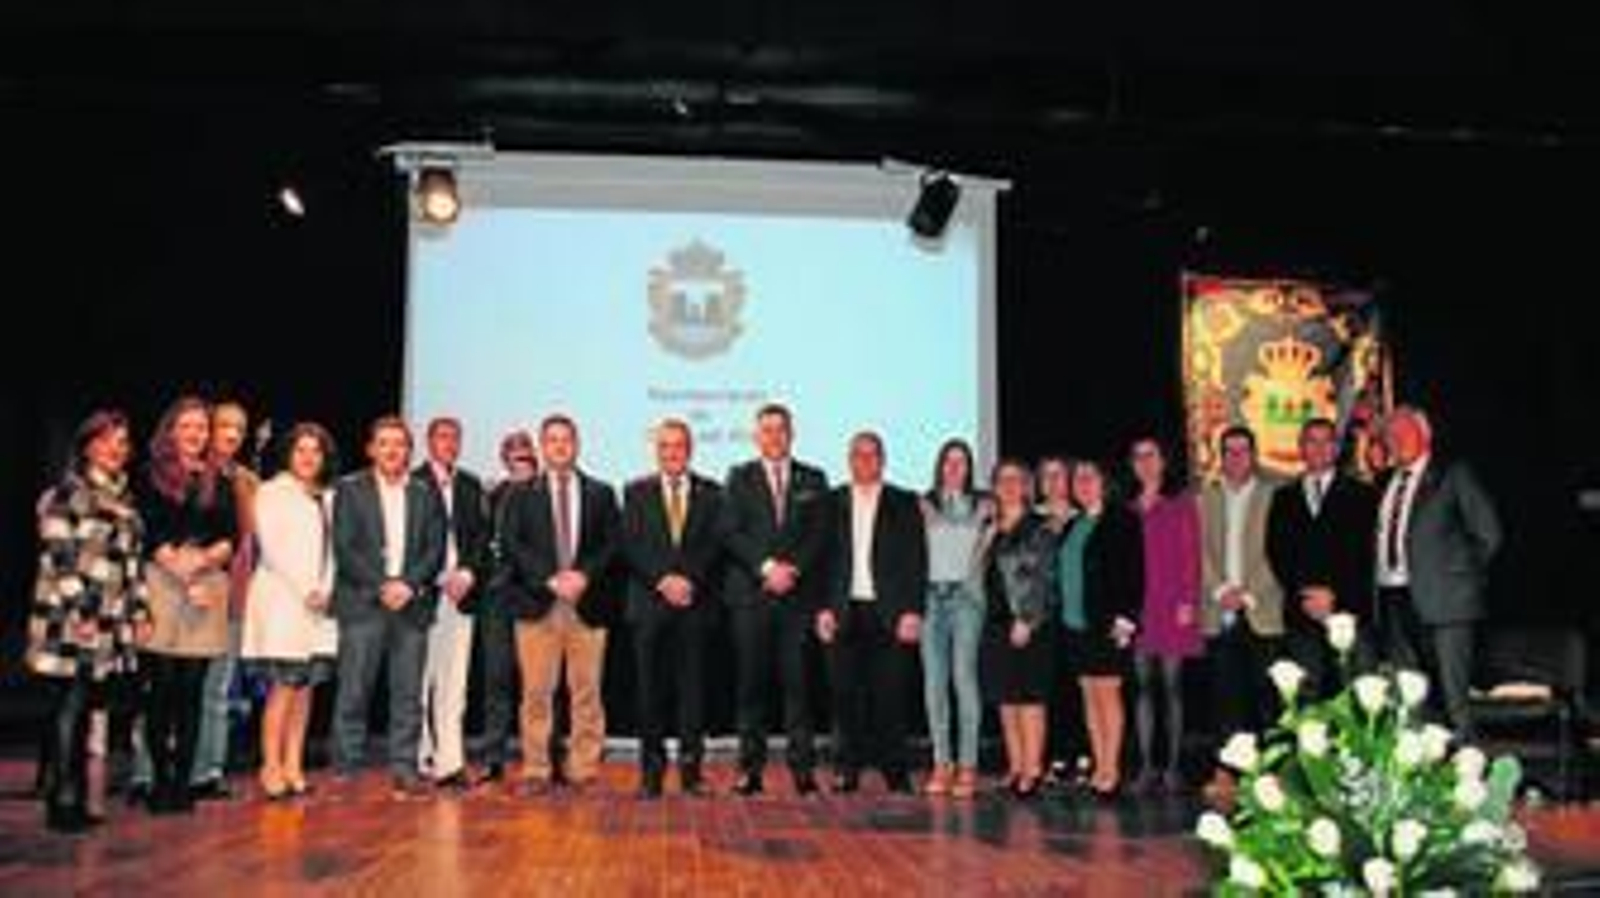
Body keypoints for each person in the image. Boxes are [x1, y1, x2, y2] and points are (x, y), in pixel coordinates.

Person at [30, 410, 151, 833]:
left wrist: (138, 610)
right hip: (71, 620)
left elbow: (130, 563)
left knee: (84, 711)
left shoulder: (123, 497)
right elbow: (59, 558)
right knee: (69, 708)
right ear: (87, 446)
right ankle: (62, 801)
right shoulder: (69, 493)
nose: (116, 448)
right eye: (106, 440)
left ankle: (76, 797)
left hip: (108, 622)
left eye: (122, 441)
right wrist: (81, 611)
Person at [501, 414, 620, 795]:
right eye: (551, 440)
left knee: (587, 692)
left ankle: (583, 768)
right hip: (538, 604)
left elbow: (611, 545)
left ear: (577, 443)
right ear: (542, 446)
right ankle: (536, 769)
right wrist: (550, 579)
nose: (559, 446)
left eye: (566, 439)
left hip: (588, 603)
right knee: (536, 693)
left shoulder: (601, 493)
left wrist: (582, 575)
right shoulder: (519, 494)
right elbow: (513, 545)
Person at [330, 416, 447, 799]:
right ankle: (346, 768)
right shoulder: (349, 489)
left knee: (408, 694)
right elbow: (345, 548)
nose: (393, 450)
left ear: (409, 451)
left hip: (411, 607)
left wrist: (408, 585)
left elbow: (434, 548)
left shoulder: (425, 493)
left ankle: (404, 768)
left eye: (400, 444)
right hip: (364, 605)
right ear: (371, 449)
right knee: (354, 691)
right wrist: (382, 585)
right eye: (384, 443)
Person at [721, 403, 831, 797]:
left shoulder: (813, 479)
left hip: (798, 600)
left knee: (798, 688)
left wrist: (793, 570)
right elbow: (730, 532)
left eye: (780, 429)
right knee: (751, 688)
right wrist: (768, 568)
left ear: (791, 433)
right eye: (766, 430)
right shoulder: (738, 477)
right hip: (752, 598)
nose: (773, 437)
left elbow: (820, 534)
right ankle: (749, 771)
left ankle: (803, 771)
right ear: (756, 436)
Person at [137, 396, 239, 814]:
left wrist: (202, 563)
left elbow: (230, 537)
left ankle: (183, 782)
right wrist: (180, 568)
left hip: (207, 587)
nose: (196, 434)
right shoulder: (149, 475)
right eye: (187, 427)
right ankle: (159, 780)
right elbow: (146, 530)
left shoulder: (220, 480)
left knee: (192, 693)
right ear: (171, 431)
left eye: (201, 427)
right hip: (162, 584)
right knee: (160, 691)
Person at [1374, 407, 1502, 734]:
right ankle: (1416, 778)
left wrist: (1458, 581)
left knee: (1453, 701)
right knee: (1406, 701)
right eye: (1390, 435)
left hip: (1446, 606)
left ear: (1425, 435)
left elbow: (1489, 534)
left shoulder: (1452, 475)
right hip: (1393, 598)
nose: (1396, 439)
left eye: (1404, 432)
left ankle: (1468, 777)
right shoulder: (1385, 482)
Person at [817, 432, 927, 796]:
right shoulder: (831, 502)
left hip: (891, 612)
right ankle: (847, 769)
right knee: (845, 696)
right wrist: (823, 609)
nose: (864, 461)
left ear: (882, 459)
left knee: (891, 695)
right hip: (843, 610)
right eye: (857, 455)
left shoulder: (904, 501)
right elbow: (820, 561)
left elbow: (917, 560)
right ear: (849, 460)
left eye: (871, 454)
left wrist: (913, 610)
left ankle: (895, 770)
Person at [621, 419, 724, 798]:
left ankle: (692, 772)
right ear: (656, 450)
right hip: (649, 606)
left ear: (690, 449)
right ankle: (651, 772)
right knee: (649, 693)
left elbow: (716, 545)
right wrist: (664, 580)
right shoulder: (635, 492)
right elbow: (630, 544)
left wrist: (688, 581)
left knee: (693, 692)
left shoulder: (713, 493)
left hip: (696, 607)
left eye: (679, 445)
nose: (672, 453)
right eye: (665, 446)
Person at [241, 423, 340, 799]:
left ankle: (294, 764)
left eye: (316, 451)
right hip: (285, 601)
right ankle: (270, 766)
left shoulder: (328, 497)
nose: (308, 457)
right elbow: (272, 548)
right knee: (283, 687)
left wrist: (326, 589)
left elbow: (335, 551)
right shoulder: (271, 492)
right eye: (301, 450)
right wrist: (307, 589)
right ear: (288, 454)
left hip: (320, 608)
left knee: (306, 688)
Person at [1199, 426, 1284, 800]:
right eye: (1229, 452)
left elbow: (1277, 552)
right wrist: (1221, 591)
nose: (1235, 458)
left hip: (1262, 609)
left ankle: (1272, 777)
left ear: (1254, 455)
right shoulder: (1206, 499)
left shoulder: (1275, 496)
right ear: (1221, 457)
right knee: (1224, 699)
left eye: (1242, 451)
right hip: (1220, 611)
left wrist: (1247, 594)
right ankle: (1227, 776)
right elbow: (1199, 552)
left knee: (1268, 699)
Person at [1266, 418, 1379, 699]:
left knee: (1358, 696)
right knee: (1305, 699)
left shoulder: (1362, 494)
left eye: (1325, 441)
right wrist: (1307, 595)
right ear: (1301, 448)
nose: (1318, 448)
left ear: (1336, 448)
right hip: (1301, 613)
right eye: (1311, 441)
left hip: (1349, 610)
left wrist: (1334, 596)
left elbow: (1366, 555)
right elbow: (1277, 552)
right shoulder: (1283, 497)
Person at [1056, 459, 1143, 798]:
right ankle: (1098, 763)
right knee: (1089, 695)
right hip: (1076, 623)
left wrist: (1126, 618)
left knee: (1108, 693)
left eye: (1090, 477)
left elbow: (1134, 572)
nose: (1082, 483)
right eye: (1077, 478)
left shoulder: (1123, 520)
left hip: (1109, 623)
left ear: (1104, 482)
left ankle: (1111, 768)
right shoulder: (1073, 524)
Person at [414, 417, 491, 790]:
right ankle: (422, 755)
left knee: (454, 682)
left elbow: (480, 538)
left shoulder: (472, 485)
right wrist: (435, 575)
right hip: (424, 596)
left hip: (462, 595)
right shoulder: (413, 482)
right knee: (418, 681)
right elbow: (409, 542)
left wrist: (468, 574)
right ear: (429, 442)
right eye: (442, 437)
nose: (449, 443)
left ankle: (451, 760)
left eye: (455, 438)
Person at [190, 399, 259, 800]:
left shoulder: (247, 480)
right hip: (189, 591)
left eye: (240, 428)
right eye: (225, 426)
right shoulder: (188, 473)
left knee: (218, 689)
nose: (232, 434)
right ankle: (151, 772)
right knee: (172, 686)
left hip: (233, 596)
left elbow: (250, 541)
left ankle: (208, 771)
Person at [1127, 437, 1202, 795]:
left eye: (1150, 455)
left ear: (1163, 461)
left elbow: (1191, 554)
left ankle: (1172, 768)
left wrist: (1188, 600)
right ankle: (1145, 767)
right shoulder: (1128, 508)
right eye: (1138, 457)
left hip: (1173, 605)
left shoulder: (1181, 503)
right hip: (1139, 608)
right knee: (1142, 687)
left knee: (1171, 687)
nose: (1144, 462)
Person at [979, 459, 1057, 798]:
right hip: (995, 622)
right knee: (1006, 699)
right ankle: (1015, 767)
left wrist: (1027, 619)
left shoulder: (1040, 526)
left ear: (1026, 487)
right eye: (1002, 480)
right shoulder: (991, 526)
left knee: (1029, 698)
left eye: (1016, 480)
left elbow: (1044, 577)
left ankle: (1033, 770)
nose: (1009, 486)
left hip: (1027, 623)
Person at [919, 439, 990, 800]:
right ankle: (941, 763)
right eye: (948, 461)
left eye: (961, 462)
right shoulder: (923, 503)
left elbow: (975, 554)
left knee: (964, 678)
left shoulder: (983, 505)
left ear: (969, 468)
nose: (954, 468)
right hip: (931, 600)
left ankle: (967, 766)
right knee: (934, 685)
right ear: (939, 465)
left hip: (966, 601)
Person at [476, 429, 539, 782]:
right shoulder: (491, 495)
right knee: (497, 679)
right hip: (497, 599)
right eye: (513, 453)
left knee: (539, 684)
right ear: (504, 459)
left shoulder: (548, 492)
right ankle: (493, 756)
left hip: (534, 598)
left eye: (525, 451)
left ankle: (543, 755)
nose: (520, 457)